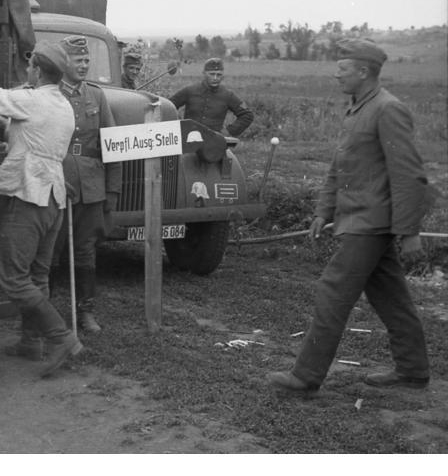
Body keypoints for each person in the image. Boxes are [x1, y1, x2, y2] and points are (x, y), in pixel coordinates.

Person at [267, 38, 430, 392]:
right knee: (391, 297)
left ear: (363, 71)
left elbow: (409, 174)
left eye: (342, 69)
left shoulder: (388, 110)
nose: (335, 75)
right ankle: (413, 371)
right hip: (360, 220)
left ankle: (305, 377)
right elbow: (339, 167)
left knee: (331, 293)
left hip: (370, 223)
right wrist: (322, 211)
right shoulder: (359, 109)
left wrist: (411, 231)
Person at [0, 41, 83, 376]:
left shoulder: (31, 99)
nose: (26, 72)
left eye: (30, 67)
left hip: (31, 195)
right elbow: (26, 130)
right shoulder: (62, 105)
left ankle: (60, 337)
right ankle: (32, 340)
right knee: (38, 274)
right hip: (54, 198)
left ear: (38, 70)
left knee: (12, 277)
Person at [51, 35, 122, 333]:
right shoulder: (49, 94)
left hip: (90, 186)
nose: (83, 65)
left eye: (86, 61)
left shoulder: (96, 96)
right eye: (77, 60)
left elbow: (113, 145)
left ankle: (86, 312)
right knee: (51, 250)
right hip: (56, 182)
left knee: (86, 250)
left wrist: (112, 192)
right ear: (63, 63)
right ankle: (46, 313)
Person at [168, 57, 254, 137]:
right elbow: (168, 106)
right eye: (212, 74)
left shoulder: (228, 95)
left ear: (223, 75)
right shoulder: (189, 91)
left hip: (214, 143)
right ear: (204, 73)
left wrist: (229, 131)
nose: (215, 78)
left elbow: (247, 115)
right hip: (189, 141)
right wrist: (178, 126)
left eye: (219, 75)